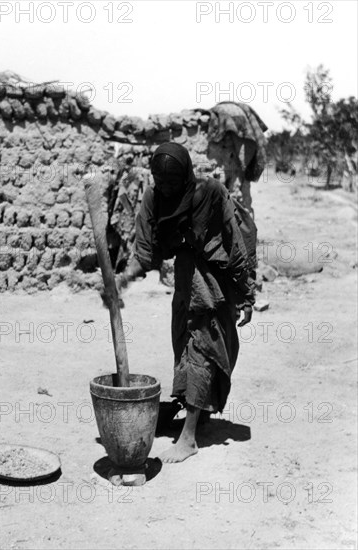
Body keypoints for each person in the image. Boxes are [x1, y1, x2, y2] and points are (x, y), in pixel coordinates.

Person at [116, 143, 255, 463]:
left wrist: (246, 292)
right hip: (183, 281)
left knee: (201, 351)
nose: (165, 187)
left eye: (172, 182)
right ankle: (198, 415)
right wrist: (122, 279)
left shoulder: (211, 192)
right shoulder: (153, 198)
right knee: (184, 347)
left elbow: (235, 243)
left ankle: (189, 438)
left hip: (211, 284)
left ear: (186, 176)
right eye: (160, 180)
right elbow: (146, 254)